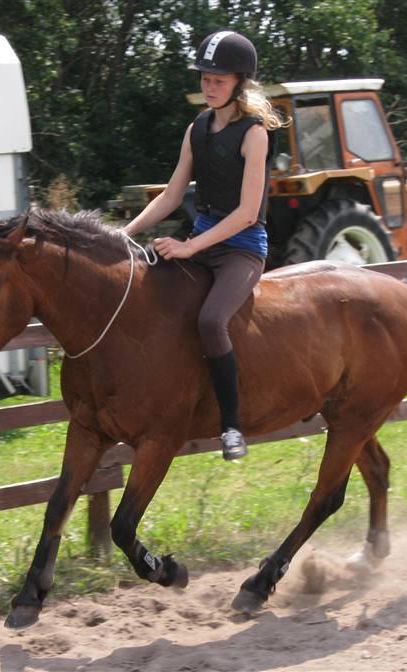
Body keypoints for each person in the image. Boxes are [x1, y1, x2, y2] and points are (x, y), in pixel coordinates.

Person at [122, 30, 288, 460]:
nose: (209, 86)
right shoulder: (197, 128)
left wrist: (190, 247)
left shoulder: (255, 135)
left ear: (239, 82)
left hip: (242, 248)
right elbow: (172, 195)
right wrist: (123, 233)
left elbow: (248, 213)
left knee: (212, 320)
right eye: (205, 78)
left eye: (218, 79)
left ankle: (231, 426)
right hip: (202, 240)